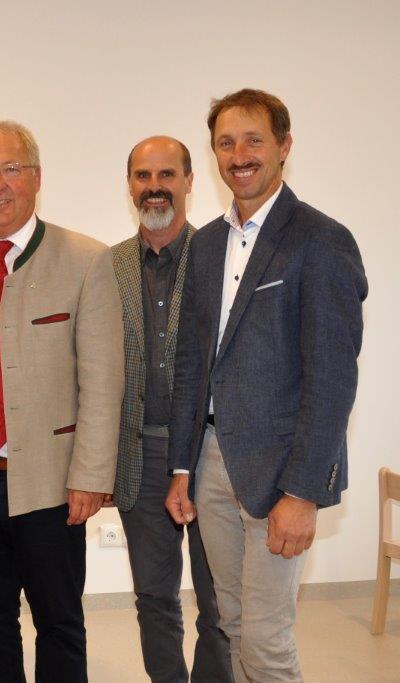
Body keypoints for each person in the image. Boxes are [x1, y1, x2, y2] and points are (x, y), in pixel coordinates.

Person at [166, 89, 368, 682]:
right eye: (226, 143)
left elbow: (333, 380)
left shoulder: (321, 240)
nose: (239, 155)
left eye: (253, 140)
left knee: (265, 639)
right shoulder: (205, 244)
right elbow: (192, 363)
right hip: (210, 463)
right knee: (230, 624)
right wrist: (181, 466)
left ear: (284, 146)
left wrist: (303, 493)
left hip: (281, 472)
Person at [0, 121, 123, 681]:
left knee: (58, 622)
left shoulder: (86, 259)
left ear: (36, 177)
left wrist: (90, 476)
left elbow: (102, 381)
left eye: (10, 169)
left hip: (52, 482)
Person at [111, 136, 232, 682]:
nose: (154, 186)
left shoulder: (220, 257)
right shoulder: (108, 266)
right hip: (139, 457)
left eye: (166, 174)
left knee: (219, 602)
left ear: (189, 181)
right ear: (129, 185)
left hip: (210, 454)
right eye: (142, 175)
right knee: (154, 598)